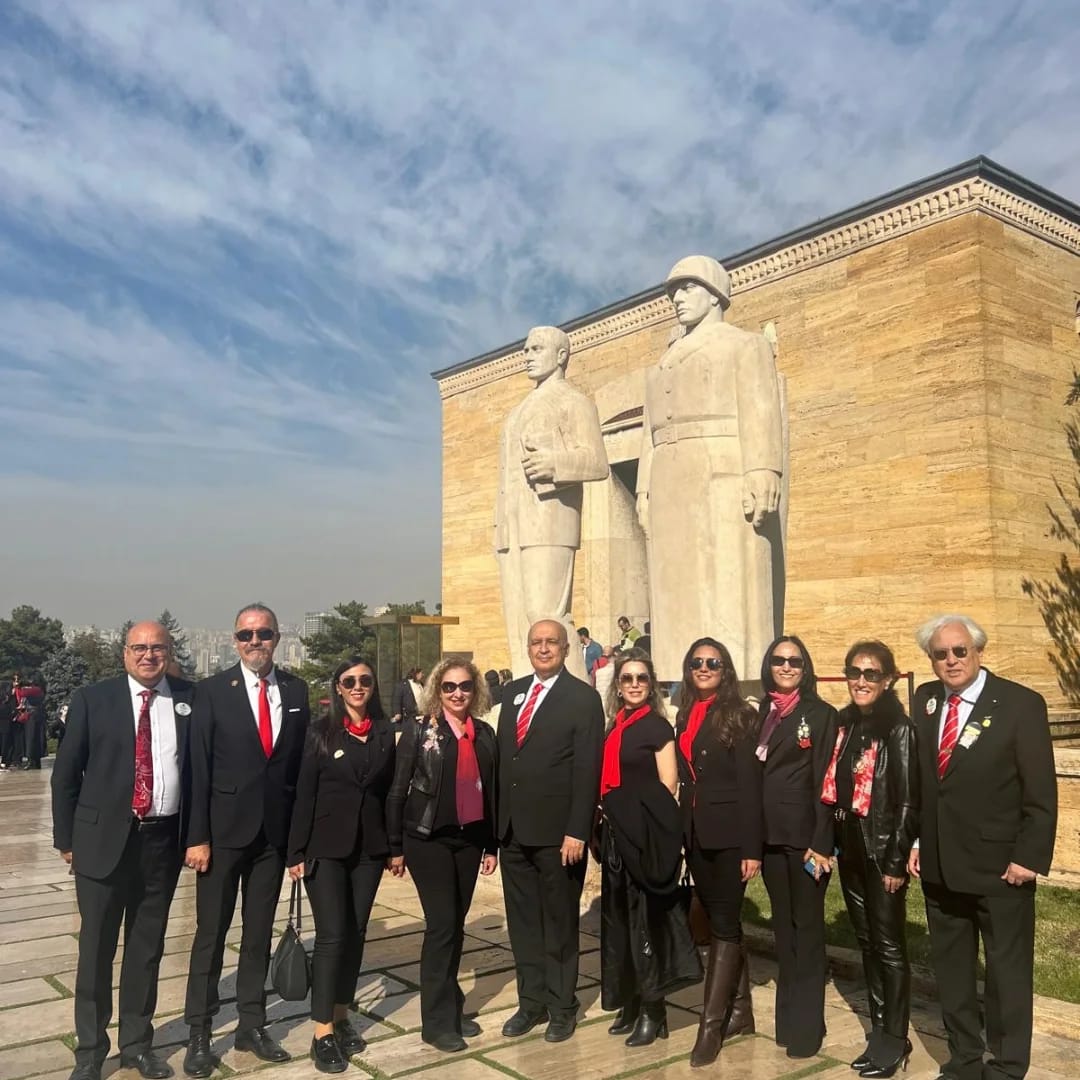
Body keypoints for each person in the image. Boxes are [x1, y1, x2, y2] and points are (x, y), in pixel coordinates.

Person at [907, 615, 1057, 1080]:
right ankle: (965, 1061)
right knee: (952, 975)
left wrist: (1028, 858)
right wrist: (917, 839)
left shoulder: (1020, 705)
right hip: (940, 865)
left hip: (1000, 868)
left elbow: (1040, 792)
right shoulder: (927, 700)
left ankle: (1009, 1066)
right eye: (940, 653)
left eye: (959, 651)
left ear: (978, 651)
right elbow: (926, 782)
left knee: (1006, 975)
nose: (950, 660)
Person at [51, 621, 195, 1080]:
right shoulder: (95, 700)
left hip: (161, 842)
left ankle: (137, 1043)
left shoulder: (189, 700)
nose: (148, 655)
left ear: (169, 652)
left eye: (157, 647)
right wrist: (66, 840)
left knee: (146, 948)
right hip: (101, 843)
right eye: (139, 647)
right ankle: (91, 1051)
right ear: (125, 653)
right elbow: (65, 776)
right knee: (95, 950)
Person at [636, 255, 785, 683]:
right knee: (674, 592)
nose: (677, 299)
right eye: (673, 291)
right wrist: (644, 490)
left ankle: (740, 681)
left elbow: (760, 408)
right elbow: (649, 431)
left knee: (728, 586)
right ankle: (680, 676)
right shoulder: (666, 358)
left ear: (715, 293)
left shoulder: (743, 344)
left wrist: (763, 469)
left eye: (687, 288)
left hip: (721, 468)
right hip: (669, 475)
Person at [182, 604, 310, 1077]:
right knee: (210, 936)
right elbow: (196, 768)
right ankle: (199, 1030)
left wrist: (297, 845)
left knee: (257, 935)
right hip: (222, 835)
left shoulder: (296, 690)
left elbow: (296, 772)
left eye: (264, 633)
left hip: (271, 839)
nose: (255, 641)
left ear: (277, 637)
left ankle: (251, 1024)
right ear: (235, 640)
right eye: (246, 634)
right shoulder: (212, 692)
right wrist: (197, 837)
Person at [497, 619, 605, 1043]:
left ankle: (563, 1006)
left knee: (559, 923)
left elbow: (587, 768)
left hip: (559, 836)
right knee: (523, 924)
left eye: (551, 643)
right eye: (536, 642)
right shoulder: (513, 692)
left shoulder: (582, 698)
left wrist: (577, 829)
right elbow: (508, 759)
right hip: (513, 833)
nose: (543, 649)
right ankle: (531, 1003)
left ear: (565, 649)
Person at [287, 656, 396, 1073]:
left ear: (373, 686)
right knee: (332, 936)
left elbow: (389, 792)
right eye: (348, 680)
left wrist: (393, 846)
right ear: (337, 687)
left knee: (356, 932)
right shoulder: (320, 732)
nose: (357, 686)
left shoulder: (384, 732)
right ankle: (322, 1032)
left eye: (364, 680)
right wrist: (295, 852)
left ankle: (342, 1013)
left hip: (369, 849)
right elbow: (304, 794)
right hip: (325, 848)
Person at [387, 658, 498, 1052]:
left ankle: (451, 1005)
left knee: (456, 925)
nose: (457, 693)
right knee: (441, 926)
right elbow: (398, 789)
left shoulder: (483, 734)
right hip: (426, 839)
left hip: (468, 841)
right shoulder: (418, 732)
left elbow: (492, 791)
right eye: (449, 686)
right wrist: (395, 847)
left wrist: (491, 844)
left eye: (465, 686)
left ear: (475, 690)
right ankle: (435, 1022)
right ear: (437, 689)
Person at [822, 641, 918, 1077]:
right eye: (855, 672)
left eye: (871, 674)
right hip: (850, 846)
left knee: (890, 947)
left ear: (888, 680)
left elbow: (907, 802)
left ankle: (895, 1038)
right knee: (866, 943)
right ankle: (879, 1029)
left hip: (880, 851)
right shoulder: (845, 724)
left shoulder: (897, 728)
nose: (861, 681)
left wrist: (897, 861)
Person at [494, 326, 609, 680]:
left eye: (536, 348)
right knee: (519, 622)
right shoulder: (517, 410)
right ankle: (529, 693)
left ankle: (571, 700)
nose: (527, 355)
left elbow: (597, 462)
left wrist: (555, 464)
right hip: (513, 524)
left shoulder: (573, 401)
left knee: (548, 616)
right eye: (525, 349)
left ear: (561, 355)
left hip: (549, 521)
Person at [599, 648, 700, 1047]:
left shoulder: (657, 728)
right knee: (619, 922)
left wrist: (631, 817)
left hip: (642, 839)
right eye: (628, 679)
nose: (635, 685)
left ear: (652, 684)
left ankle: (654, 1009)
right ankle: (631, 999)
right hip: (614, 839)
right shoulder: (614, 727)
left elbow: (667, 786)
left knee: (645, 924)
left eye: (642, 678)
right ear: (618, 686)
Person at [675, 638, 762, 1067]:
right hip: (696, 835)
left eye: (713, 662)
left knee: (723, 929)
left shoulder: (740, 715)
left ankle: (709, 1028)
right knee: (722, 921)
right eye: (697, 662)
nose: (704, 668)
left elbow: (750, 785)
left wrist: (751, 847)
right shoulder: (685, 713)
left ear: (724, 669)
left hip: (729, 838)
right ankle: (742, 1011)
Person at [757, 634, 838, 1059]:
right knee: (783, 933)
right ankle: (789, 1021)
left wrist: (822, 842)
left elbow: (827, 779)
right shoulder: (764, 713)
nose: (786, 667)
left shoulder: (821, 714)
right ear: (768, 666)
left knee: (807, 934)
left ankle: (808, 1029)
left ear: (805, 669)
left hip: (806, 843)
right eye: (779, 660)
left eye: (795, 661)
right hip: (771, 841)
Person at [17, 672, 47, 769]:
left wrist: (19, 686)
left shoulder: (36, 690)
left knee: (31, 738)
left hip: (33, 716)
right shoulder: (41, 690)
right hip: (38, 715)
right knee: (37, 738)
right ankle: (36, 761)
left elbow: (22, 693)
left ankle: (31, 760)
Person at [0, 679, 14, 768]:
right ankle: (4, 760)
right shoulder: (7, 706)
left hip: (4, 725)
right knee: (5, 744)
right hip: (6, 726)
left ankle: (3, 760)